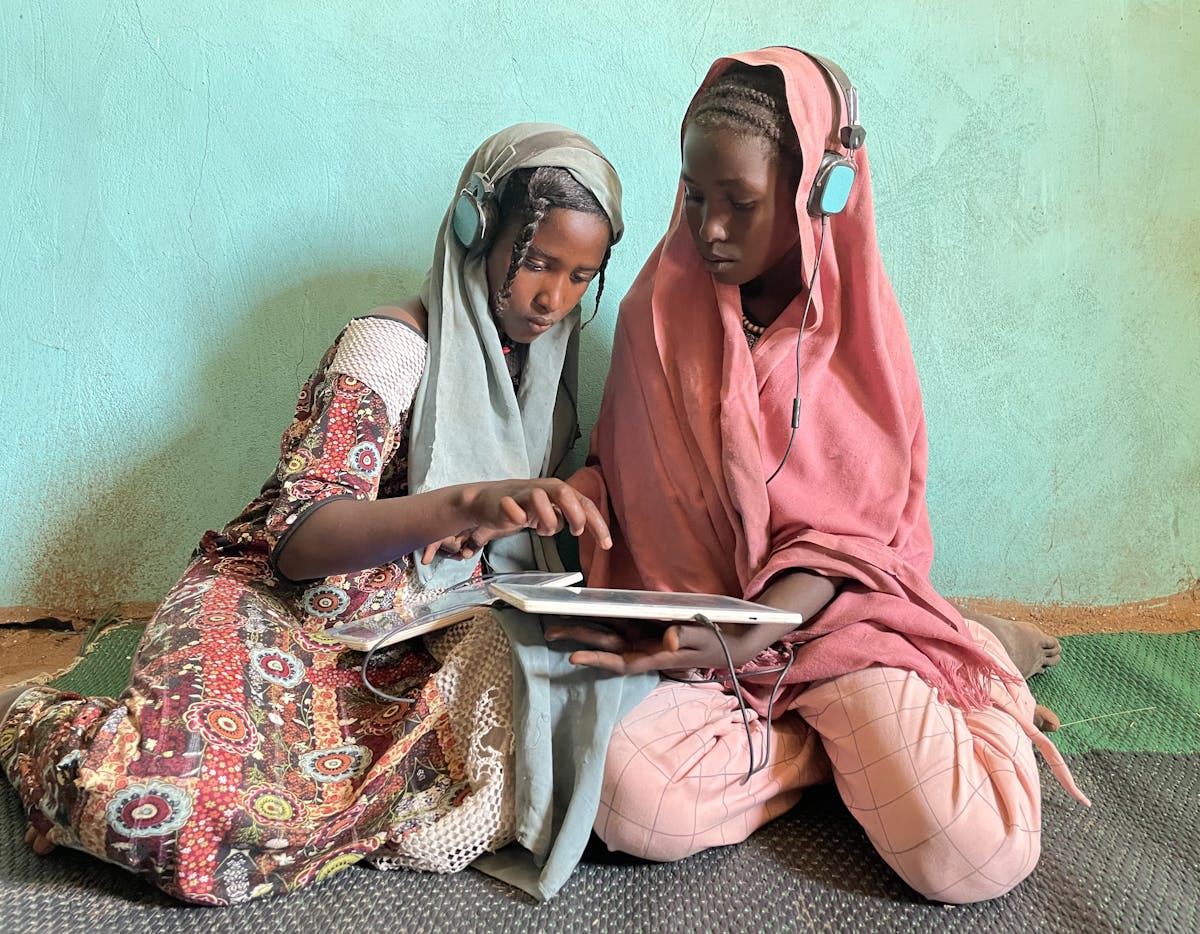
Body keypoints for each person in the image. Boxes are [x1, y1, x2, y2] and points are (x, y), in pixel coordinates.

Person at [0, 123, 623, 905]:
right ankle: (38, 720)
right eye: (535, 262)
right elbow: (299, 545)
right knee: (175, 826)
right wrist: (464, 503)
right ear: (475, 230)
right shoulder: (390, 348)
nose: (552, 300)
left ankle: (109, 773)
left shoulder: (546, 385)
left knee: (458, 794)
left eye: (579, 277)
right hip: (272, 608)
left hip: (405, 642)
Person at [556, 49, 1087, 904]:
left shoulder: (861, 338)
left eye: (741, 204)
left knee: (974, 856)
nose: (711, 228)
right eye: (695, 197)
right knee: (625, 804)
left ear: (820, 193)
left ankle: (977, 656)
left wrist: (757, 631)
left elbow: (857, 539)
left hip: (838, 624)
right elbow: (621, 473)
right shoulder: (653, 311)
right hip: (708, 643)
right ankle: (825, 757)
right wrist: (581, 507)